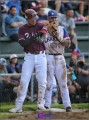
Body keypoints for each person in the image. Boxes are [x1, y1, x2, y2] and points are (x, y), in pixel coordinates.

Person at [9, 9, 47, 113]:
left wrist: (42, 39)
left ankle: (40, 104)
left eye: (34, 17)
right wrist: (35, 36)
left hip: (41, 56)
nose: (33, 20)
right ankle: (18, 106)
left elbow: (44, 33)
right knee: (24, 81)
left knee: (42, 81)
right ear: (27, 19)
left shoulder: (39, 25)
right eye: (31, 18)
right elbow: (23, 43)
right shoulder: (22, 29)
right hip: (29, 56)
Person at [44, 10, 72, 112]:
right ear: (48, 19)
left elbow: (68, 44)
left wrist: (58, 37)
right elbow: (39, 42)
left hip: (60, 57)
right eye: (51, 18)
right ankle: (47, 104)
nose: (54, 19)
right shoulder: (44, 30)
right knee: (49, 83)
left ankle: (67, 105)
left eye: (55, 17)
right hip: (48, 57)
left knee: (63, 83)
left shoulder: (62, 29)